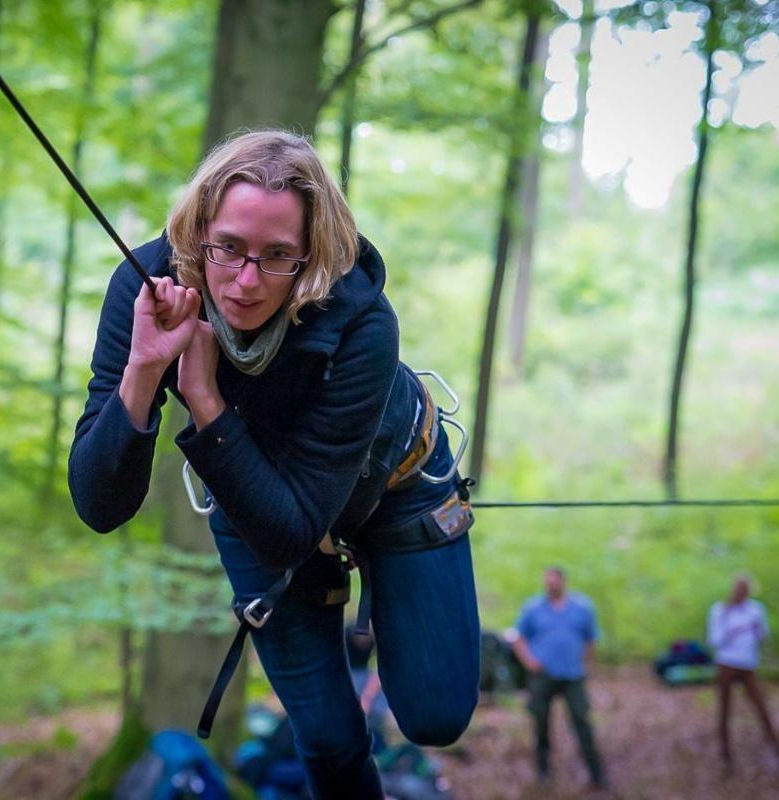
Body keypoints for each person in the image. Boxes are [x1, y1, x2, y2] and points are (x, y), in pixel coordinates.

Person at [68, 130, 480, 799]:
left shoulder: (363, 320)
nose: (246, 281)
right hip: (249, 485)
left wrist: (205, 397)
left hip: (396, 481)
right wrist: (145, 367)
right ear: (200, 231)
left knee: (435, 718)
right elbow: (99, 505)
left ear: (313, 252)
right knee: (326, 738)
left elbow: (294, 529)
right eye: (228, 247)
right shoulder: (147, 286)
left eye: (278, 256)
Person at [512, 566, 606, 788]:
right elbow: (518, 637)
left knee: (582, 720)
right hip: (542, 675)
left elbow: (591, 639)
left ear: (563, 581)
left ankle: (596, 773)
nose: (551, 585)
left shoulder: (582, 607)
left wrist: (587, 664)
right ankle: (543, 771)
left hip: (573, 675)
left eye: (554, 581)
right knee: (540, 722)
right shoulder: (533, 608)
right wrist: (528, 661)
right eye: (548, 581)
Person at [708, 573, 779, 775]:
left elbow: (763, 636)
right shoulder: (720, 610)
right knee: (725, 710)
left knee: (761, 708)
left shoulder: (755, 609)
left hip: (748, 665)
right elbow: (714, 640)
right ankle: (726, 758)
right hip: (726, 664)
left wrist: (756, 630)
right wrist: (734, 631)